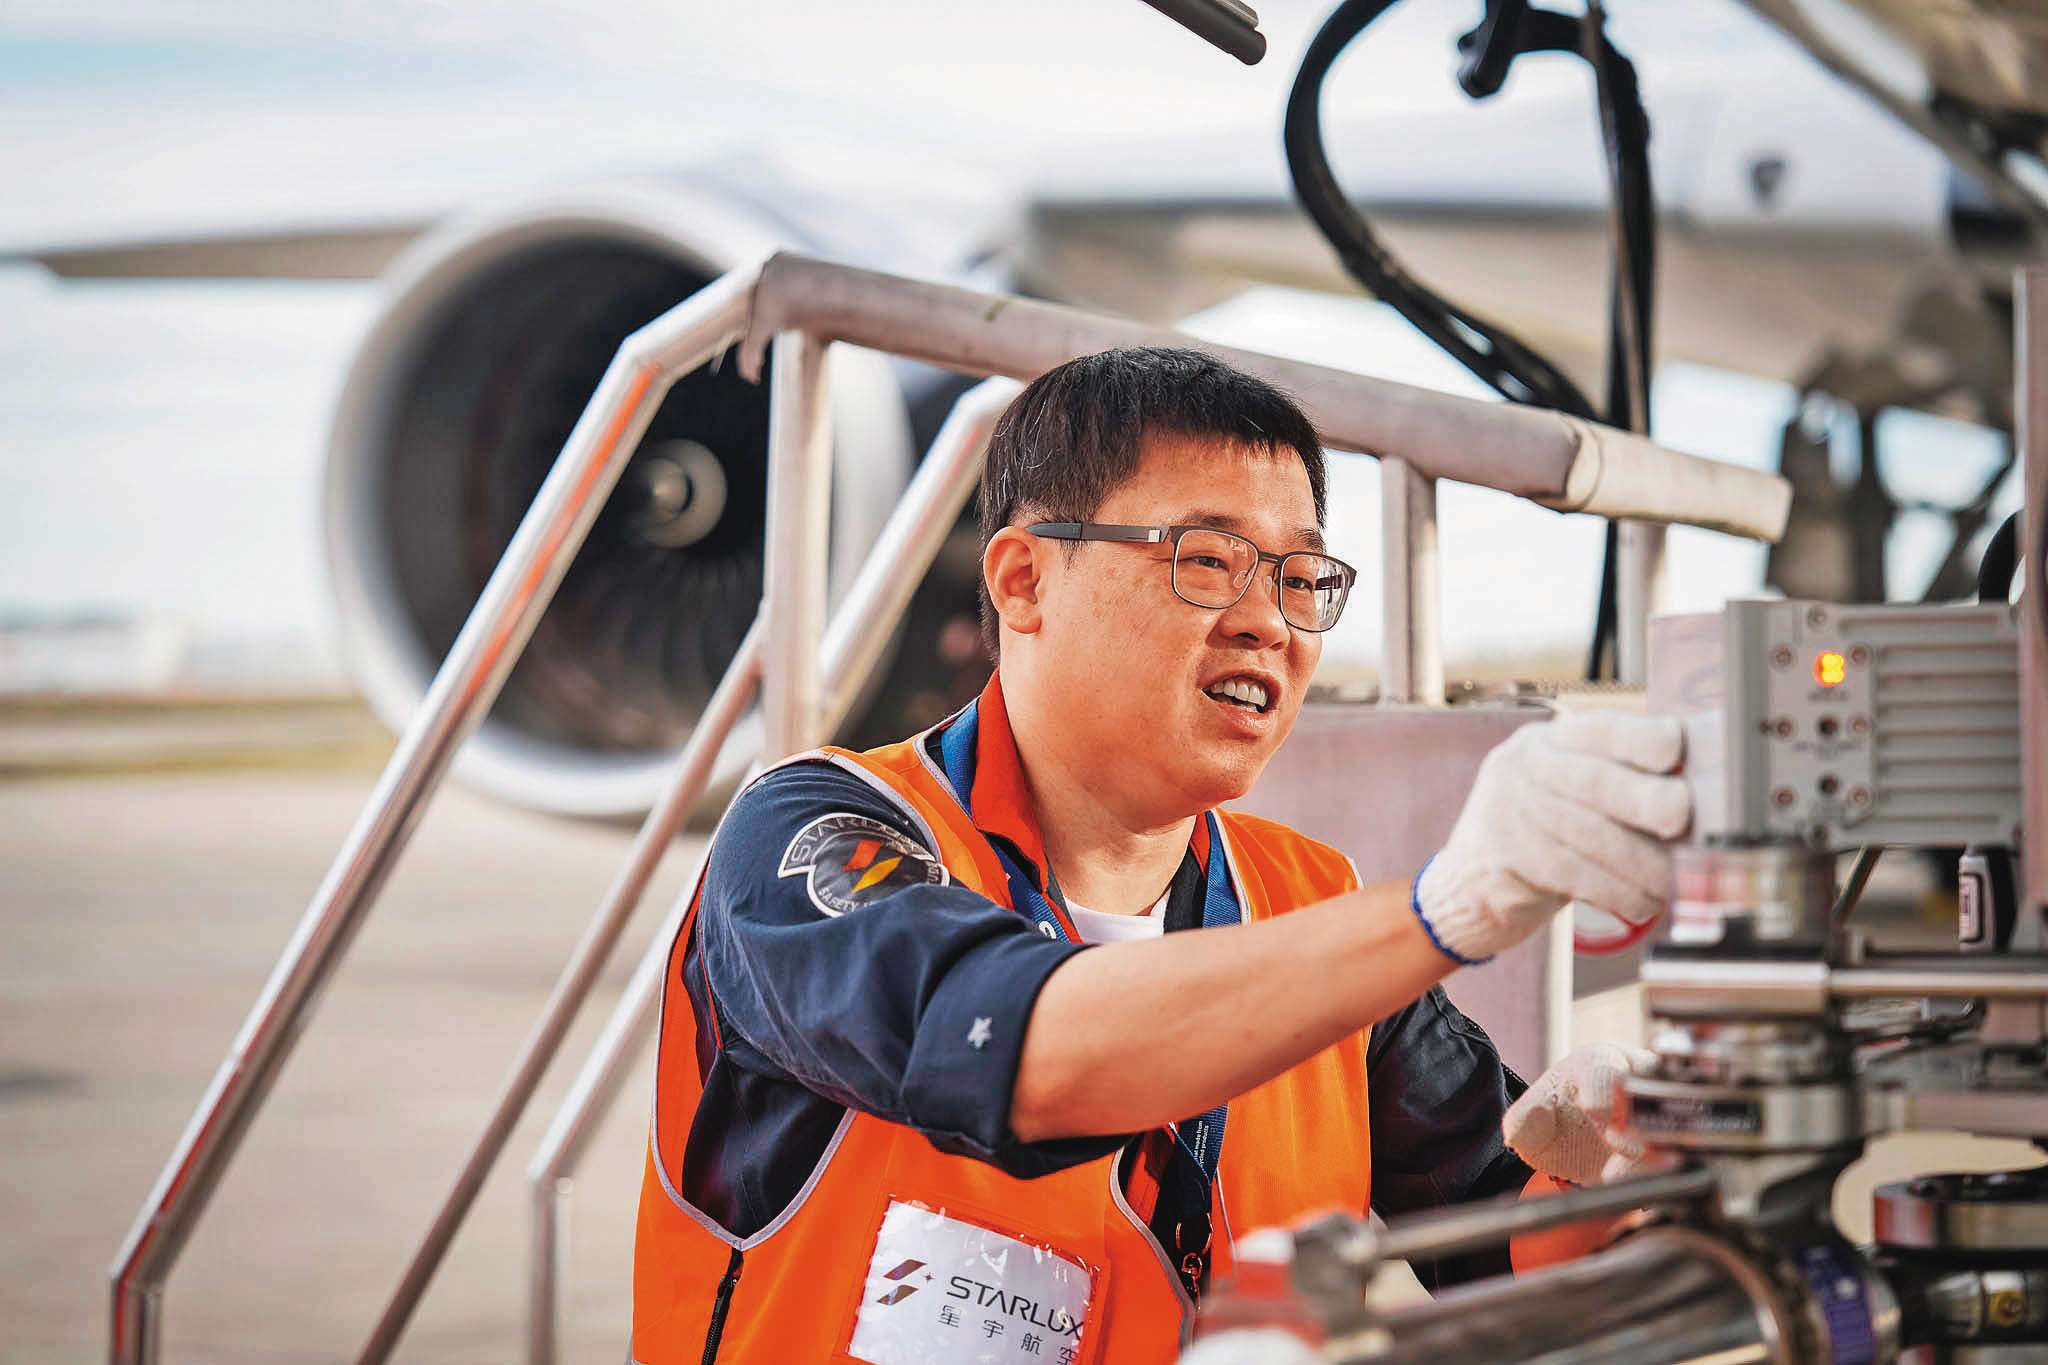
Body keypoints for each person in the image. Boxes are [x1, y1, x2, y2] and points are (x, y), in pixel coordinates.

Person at [631, 347, 1691, 1364]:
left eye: (1300, 578)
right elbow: (1009, 1045)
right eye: (1207, 560)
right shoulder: (815, 836)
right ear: (1022, 580)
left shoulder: (1309, 906)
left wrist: (1604, 1171)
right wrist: (1444, 913)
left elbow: (1501, 1244)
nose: (1267, 623)